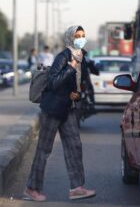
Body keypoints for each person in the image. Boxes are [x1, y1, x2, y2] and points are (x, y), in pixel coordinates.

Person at [24, 25, 96, 202]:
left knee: (74, 146)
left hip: (69, 108)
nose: (80, 38)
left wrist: (76, 94)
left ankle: (77, 188)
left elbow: (77, 85)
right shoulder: (63, 57)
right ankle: (31, 189)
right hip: (53, 108)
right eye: (77, 36)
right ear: (70, 38)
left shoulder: (81, 57)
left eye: (83, 35)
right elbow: (53, 82)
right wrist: (70, 67)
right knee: (44, 149)